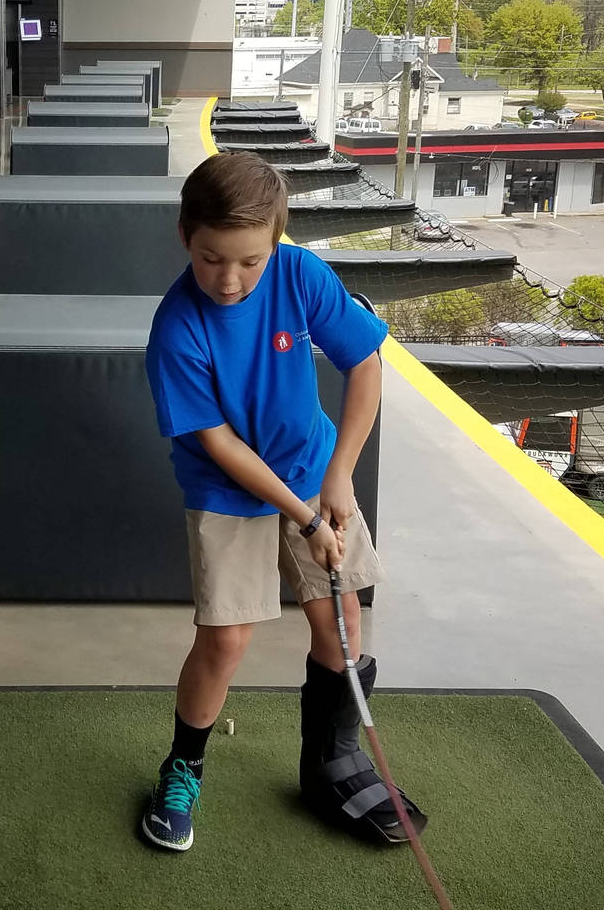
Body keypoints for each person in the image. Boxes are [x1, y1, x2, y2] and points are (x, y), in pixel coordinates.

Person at [138, 151, 426, 853]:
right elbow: (221, 446)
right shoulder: (177, 328)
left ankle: (331, 763)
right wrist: (301, 518)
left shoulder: (301, 274)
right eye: (211, 259)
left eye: (249, 262)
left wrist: (338, 477)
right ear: (185, 236)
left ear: (277, 242)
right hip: (227, 492)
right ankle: (183, 768)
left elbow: (365, 365)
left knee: (344, 620)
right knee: (228, 638)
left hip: (312, 469)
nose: (229, 280)